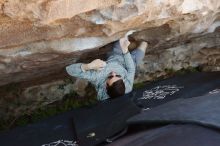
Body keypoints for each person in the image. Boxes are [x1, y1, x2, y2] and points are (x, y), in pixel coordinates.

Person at [66, 35, 148, 100]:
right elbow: (131, 69)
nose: (114, 73)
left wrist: (89, 66)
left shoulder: (98, 78)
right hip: (126, 61)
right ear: (123, 81)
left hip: (115, 56)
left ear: (105, 86)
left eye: (110, 76)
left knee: (121, 38)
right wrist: (125, 50)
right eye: (118, 76)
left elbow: (69, 70)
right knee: (139, 55)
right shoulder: (128, 88)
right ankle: (145, 42)